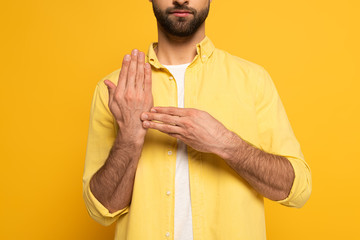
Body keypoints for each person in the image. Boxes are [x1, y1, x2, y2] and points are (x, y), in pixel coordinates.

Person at [82, 0, 312, 239]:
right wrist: (129, 137)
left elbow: (297, 190)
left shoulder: (253, 81)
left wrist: (226, 142)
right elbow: (101, 210)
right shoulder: (117, 90)